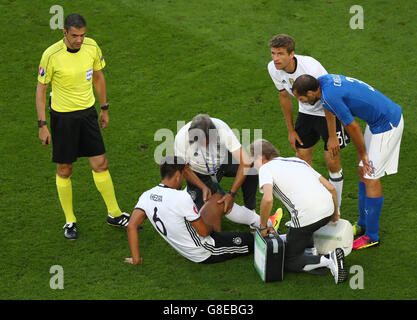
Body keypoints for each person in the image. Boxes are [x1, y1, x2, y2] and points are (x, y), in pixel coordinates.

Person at [36, 14, 129, 240]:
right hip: (63, 118)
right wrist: (42, 125)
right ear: (64, 33)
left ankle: (114, 214)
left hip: (88, 114)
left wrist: (104, 108)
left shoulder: (92, 46)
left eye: (83, 35)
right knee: (65, 169)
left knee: (101, 163)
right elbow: (40, 90)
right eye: (75, 35)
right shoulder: (51, 55)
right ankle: (70, 220)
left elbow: (98, 77)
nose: (79, 40)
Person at [292, 74, 404, 250]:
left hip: (387, 124)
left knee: (370, 175)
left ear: (312, 91)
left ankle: (372, 236)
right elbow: (328, 109)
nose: (302, 102)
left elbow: (352, 126)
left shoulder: (330, 96)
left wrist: (363, 155)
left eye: (302, 98)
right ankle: (362, 224)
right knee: (363, 172)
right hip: (376, 122)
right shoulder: (323, 82)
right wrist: (331, 136)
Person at [267, 34, 349, 214]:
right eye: (273, 53)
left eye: (280, 54)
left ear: (292, 54)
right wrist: (290, 130)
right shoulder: (273, 69)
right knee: (302, 158)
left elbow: (329, 98)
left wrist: (332, 135)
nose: (275, 58)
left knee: (332, 161)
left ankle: (336, 209)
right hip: (306, 113)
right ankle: (317, 205)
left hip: (330, 111)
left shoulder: (311, 67)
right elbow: (284, 96)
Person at [124, 156, 258, 265]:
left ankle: (223, 236)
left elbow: (131, 226)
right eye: (183, 175)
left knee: (217, 199)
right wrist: (210, 225)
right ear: (177, 175)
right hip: (204, 251)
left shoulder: (147, 195)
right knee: (255, 239)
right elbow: (204, 232)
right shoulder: (181, 197)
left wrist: (136, 259)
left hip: (188, 244)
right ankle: (267, 232)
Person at [250, 139, 348, 284]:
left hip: (307, 216)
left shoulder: (266, 168)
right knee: (298, 226)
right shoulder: (298, 161)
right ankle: (310, 250)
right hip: (328, 209)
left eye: (253, 160)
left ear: (260, 157)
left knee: (290, 260)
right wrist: (334, 214)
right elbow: (331, 188)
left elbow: (268, 199)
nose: (254, 165)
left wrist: (263, 227)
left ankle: (328, 259)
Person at [174, 114, 268, 228]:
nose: (204, 146)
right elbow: (184, 169)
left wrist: (231, 194)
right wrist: (203, 187)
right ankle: (190, 195)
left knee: (251, 170)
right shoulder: (181, 138)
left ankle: (250, 210)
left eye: (207, 142)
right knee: (205, 218)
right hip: (199, 173)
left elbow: (246, 162)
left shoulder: (222, 129)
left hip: (223, 161)